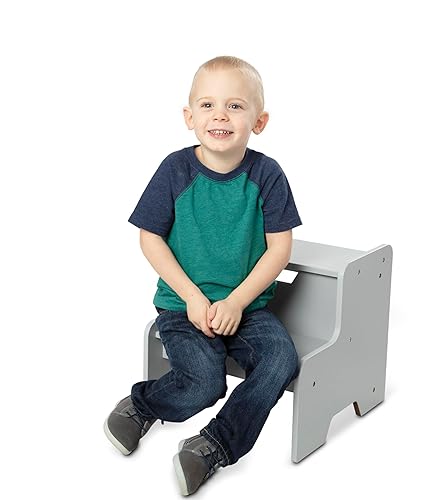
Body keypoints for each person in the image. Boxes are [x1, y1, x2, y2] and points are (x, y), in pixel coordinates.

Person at [104, 55, 303, 496]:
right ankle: (142, 405)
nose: (220, 115)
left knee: (280, 361)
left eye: (235, 106)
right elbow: (150, 239)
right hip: (183, 307)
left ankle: (216, 444)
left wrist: (236, 302)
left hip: (246, 309)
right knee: (204, 383)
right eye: (208, 105)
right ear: (189, 117)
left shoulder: (267, 175)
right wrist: (193, 297)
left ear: (259, 121)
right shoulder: (175, 170)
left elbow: (279, 249)